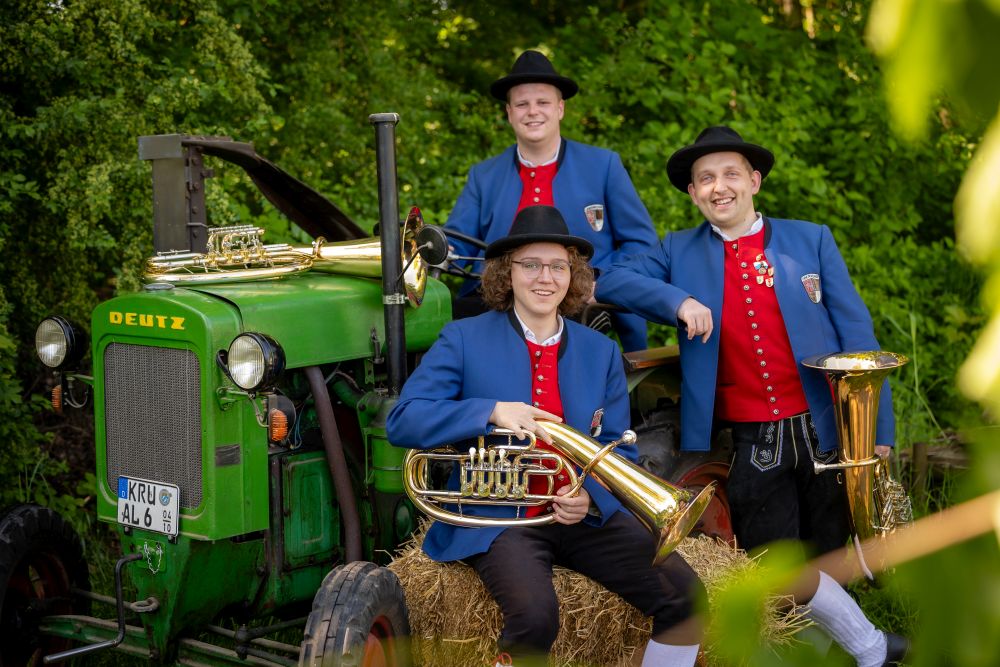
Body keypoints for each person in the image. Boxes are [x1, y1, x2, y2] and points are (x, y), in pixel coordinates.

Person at [595, 126, 908, 666]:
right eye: (705, 179)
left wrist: (877, 433)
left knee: (833, 550)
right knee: (770, 559)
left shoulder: (810, 239)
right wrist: (678, 300)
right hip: (752, 439)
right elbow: (608, 280)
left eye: (731, 174)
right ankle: (830, 650)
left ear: (754, 181)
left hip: (827, 428)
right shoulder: (677, 250)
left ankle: (847, 649)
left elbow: (858, 338)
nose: (719, 187)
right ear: (693, 193)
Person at [388, 205, 705, 667]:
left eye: (558, 266)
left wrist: (591, 500)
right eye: (530, 264)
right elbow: (404, 420)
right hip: (499, 520)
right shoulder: (462, 339)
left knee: (687, 598)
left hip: (580, 516)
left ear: (572, 276)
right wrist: (490, 410)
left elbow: (618, 444)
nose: (545, 277)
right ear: (506, 273)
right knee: (536, 618)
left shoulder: (601, 352)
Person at [444, 49, 658, 352]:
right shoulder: (484, 175)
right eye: (522, 104)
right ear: (509, 112)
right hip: (497, 303)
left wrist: (601, 283)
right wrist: (438, 248)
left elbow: (642, 245)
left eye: (542, 102)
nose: (533, 111)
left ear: (560, 108)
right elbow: (457, 244)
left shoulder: (603, 165)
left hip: (580, 301)